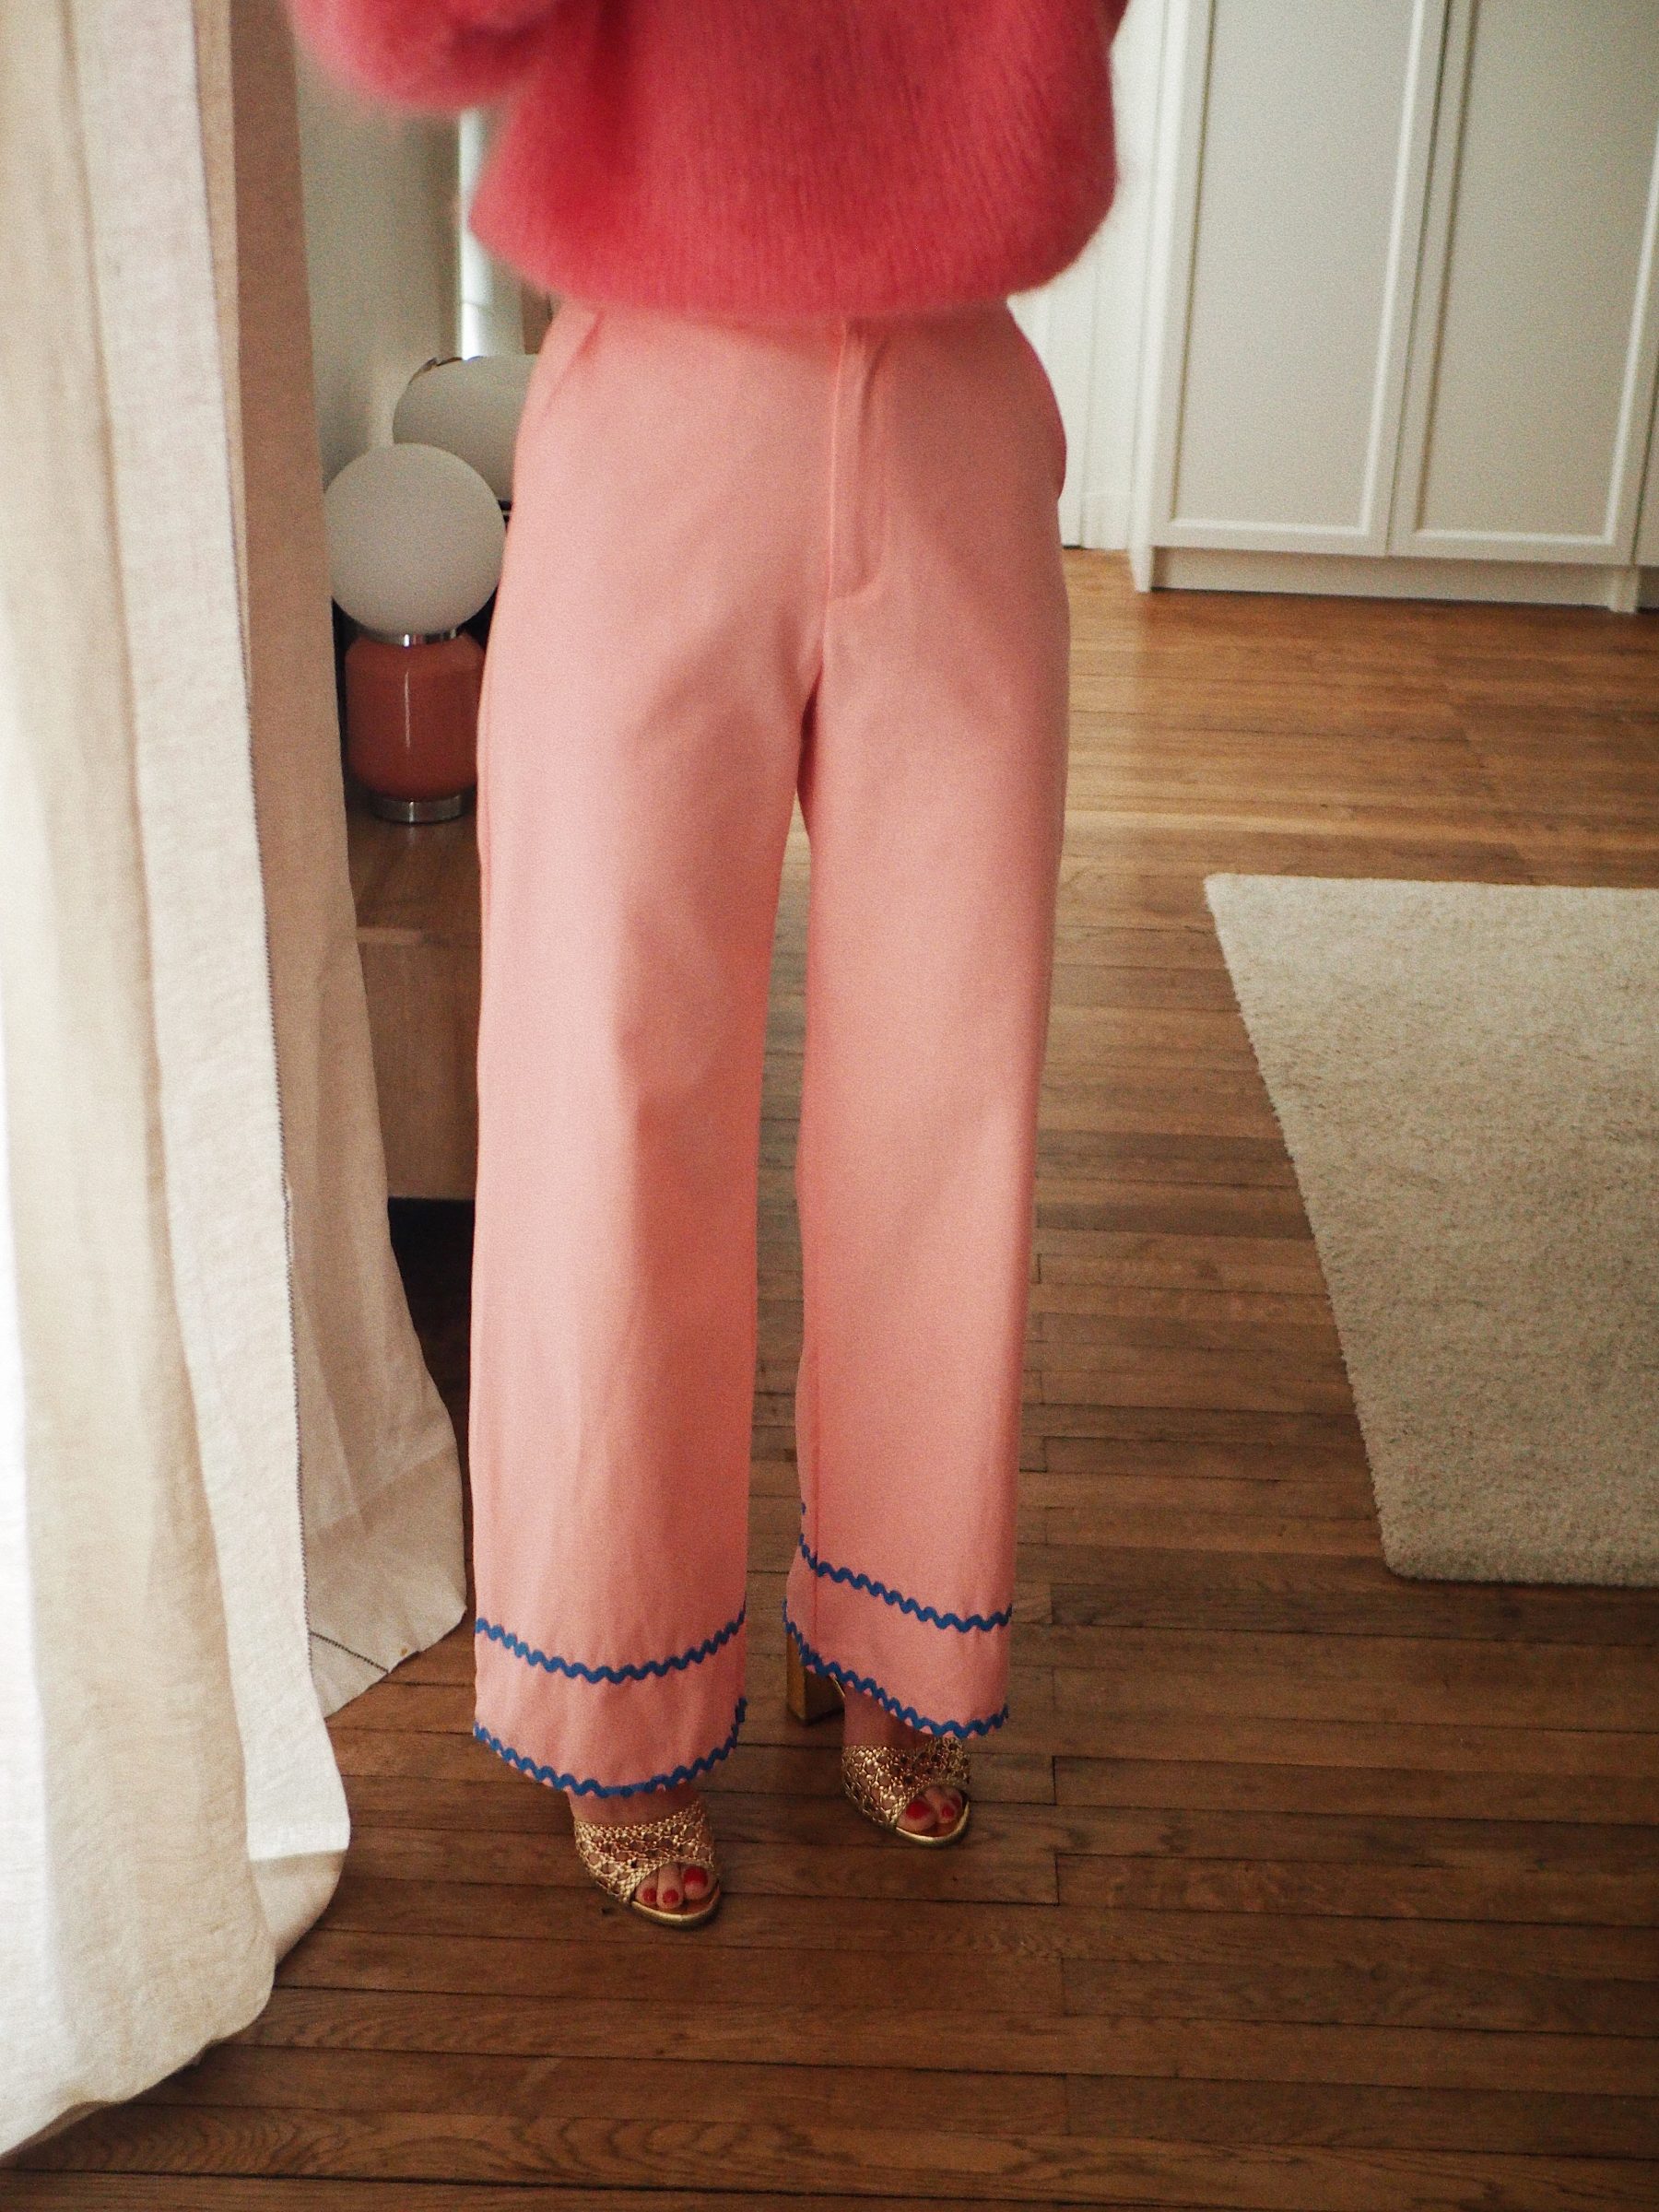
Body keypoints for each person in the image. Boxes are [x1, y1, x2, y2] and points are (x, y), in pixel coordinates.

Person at [289, 0, 1129, 1928]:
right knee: (605, 1090)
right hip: (658, 403)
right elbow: (407, 40)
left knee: (951, 1084)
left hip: (953, 395)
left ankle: (903, 1628)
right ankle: (618, 1681)